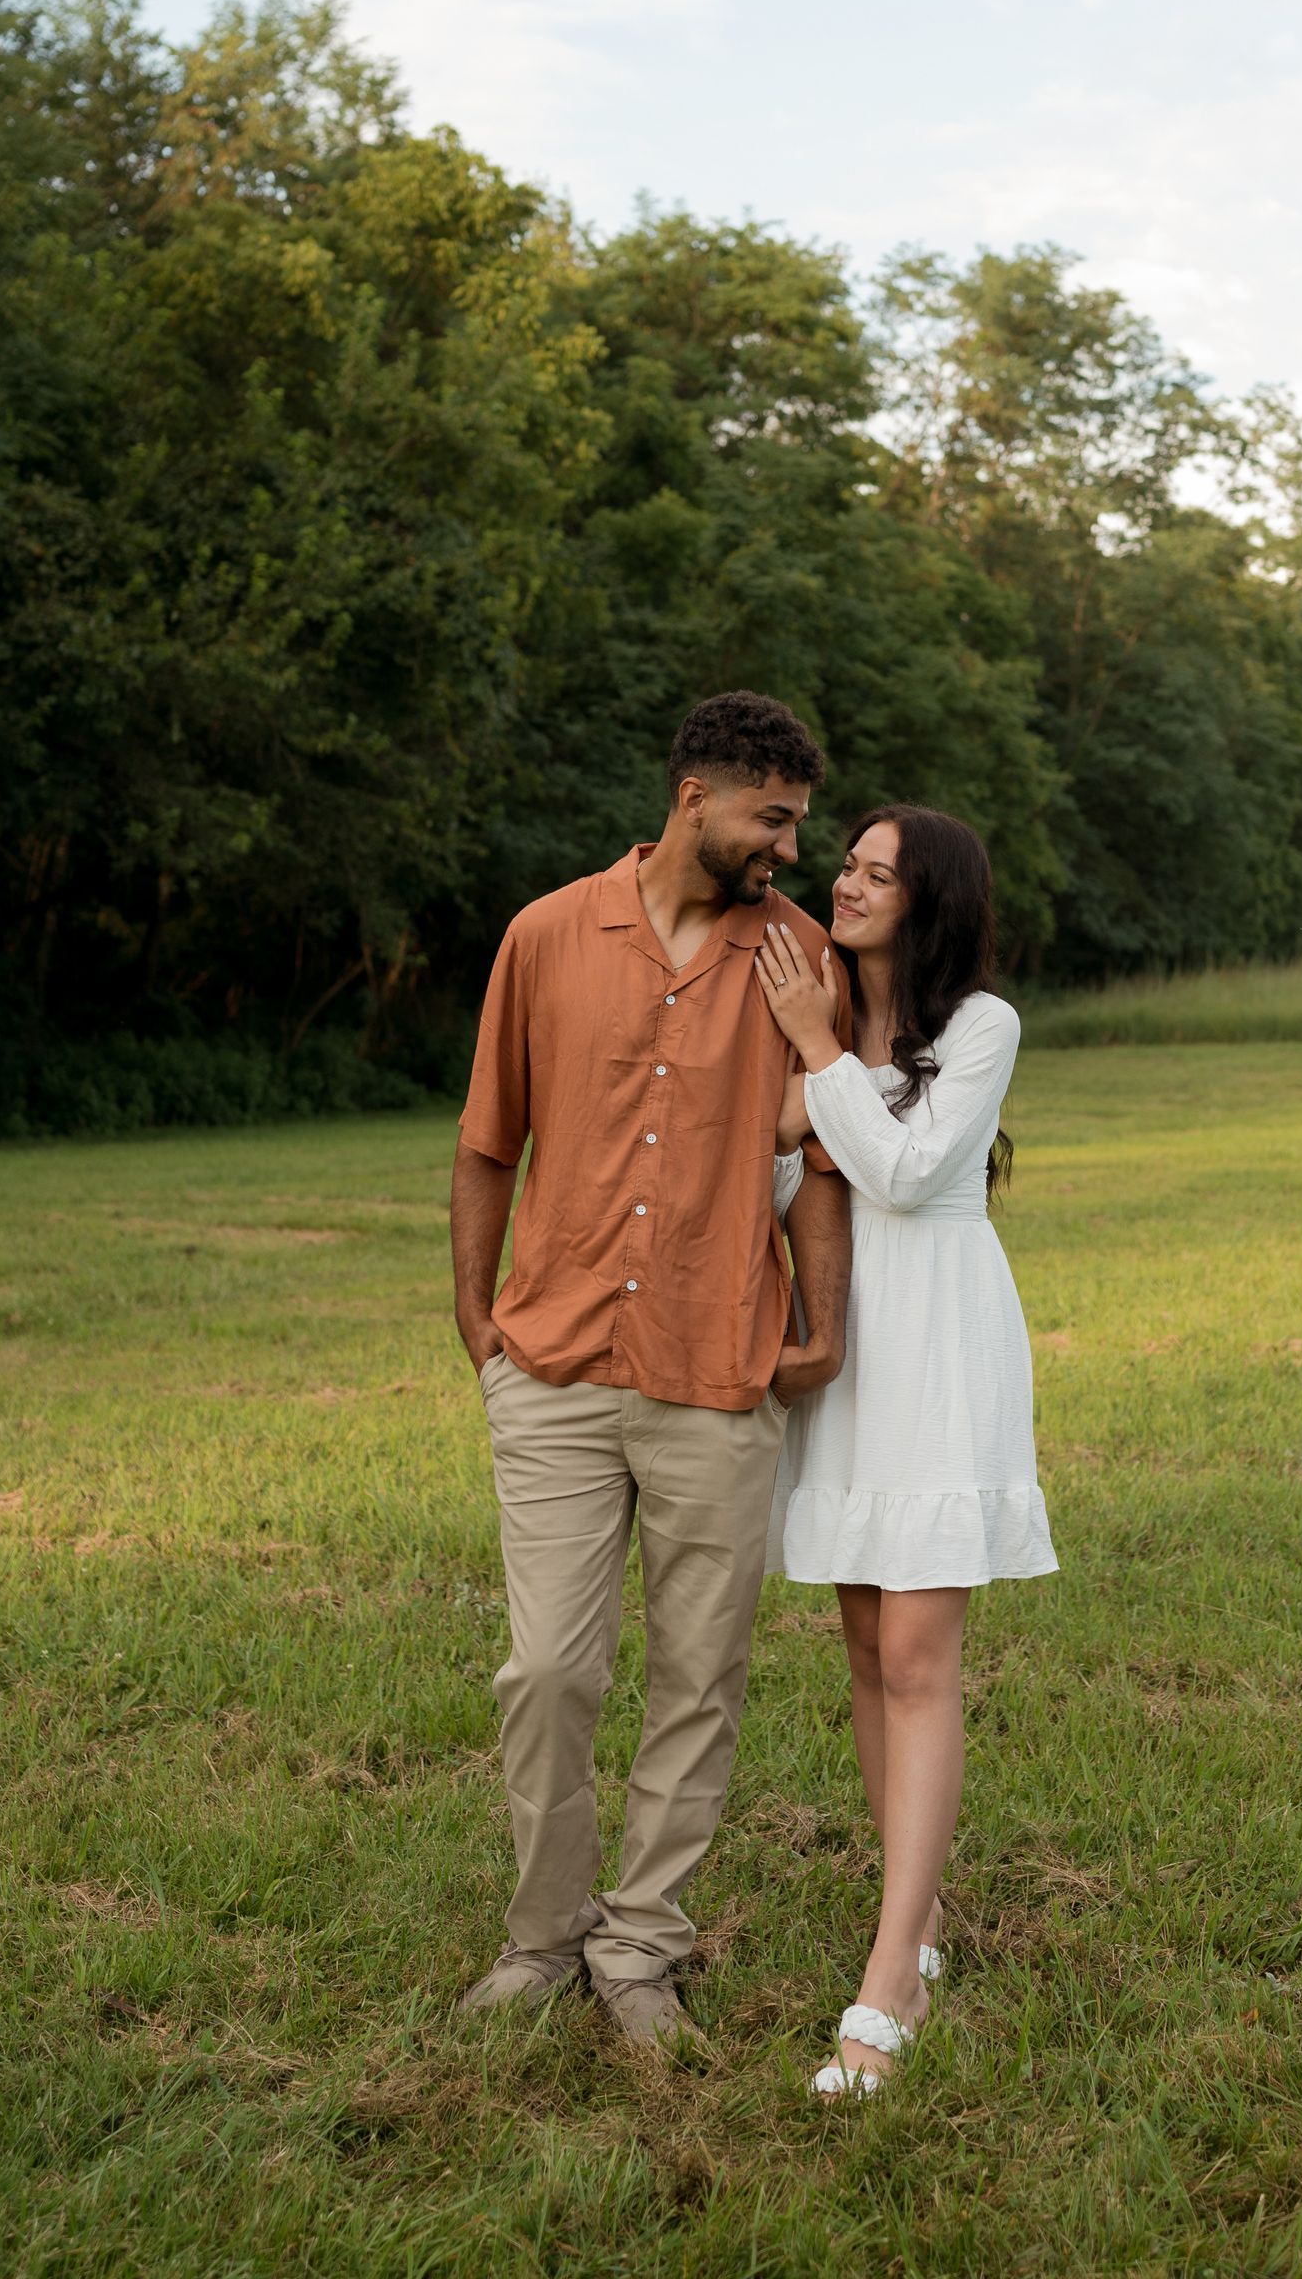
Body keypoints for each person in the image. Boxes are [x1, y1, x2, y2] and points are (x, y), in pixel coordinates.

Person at [449, 692, 854, 2050]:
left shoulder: (798, 958)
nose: (791, 849)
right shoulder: (548, 935)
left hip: (715, 1366)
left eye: (799, 823)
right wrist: (476, 1316)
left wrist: (823, 1325)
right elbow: (486, 1139)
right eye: (774, 819)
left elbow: (818, 1165)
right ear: (697, 798)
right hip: (555, 1363)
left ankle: (642, 1952)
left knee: (700, 1675)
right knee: (547, 1672)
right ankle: (540, 1940)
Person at [754, 805, 1057, 2096]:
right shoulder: (804, 1025)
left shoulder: (980, 1028)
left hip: (938, 1358)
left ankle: (888, 1988)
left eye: (881, 873)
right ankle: (915, 1923)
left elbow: (912, 1173)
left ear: (929, 902)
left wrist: (816, 1056)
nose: (850, 881)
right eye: (850, 865)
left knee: (924, 1656)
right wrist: (806, 1075)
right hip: (846, 1356)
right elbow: (780, 1191)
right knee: (870, 1652)